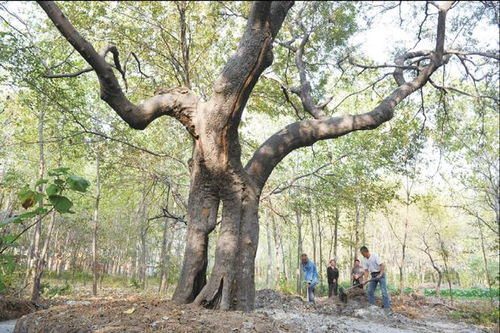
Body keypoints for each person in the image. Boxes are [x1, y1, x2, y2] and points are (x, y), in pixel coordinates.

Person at [360, 246, 391, 310]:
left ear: (366, 252)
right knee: (370, 290)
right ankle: (372, 307)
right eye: (361, 254)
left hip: (380, 274)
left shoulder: (375, 256)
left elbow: (382, 265)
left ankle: (387, 308)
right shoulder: (364, 260)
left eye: (363, 254)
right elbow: (366, 271)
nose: (363, 255)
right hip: (373, 275)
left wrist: (380, 274)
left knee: (384, 292)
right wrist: (365, 280)